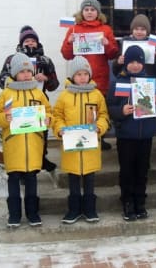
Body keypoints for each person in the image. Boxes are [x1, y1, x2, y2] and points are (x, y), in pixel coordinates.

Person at [0, 53, 52, 227]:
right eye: (22, 71)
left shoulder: (38, 93)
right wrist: (5, 118)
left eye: (28, 70)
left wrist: (48, 119)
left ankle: (33, 213)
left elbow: (48, 111)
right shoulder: (7, 94)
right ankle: (14, 215)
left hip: (33, 145)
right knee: (14, 181)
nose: (26, 74)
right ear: (14, 73)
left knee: (32, 180)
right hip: (14, 146)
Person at [106, 45, 156, 221]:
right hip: (126, 135)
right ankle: (127, 201)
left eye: (139, 61)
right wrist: (121, 111)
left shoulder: (151, 82)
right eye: (132, 62)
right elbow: (109, 108)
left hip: (145, 134)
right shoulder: (118, 82)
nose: (136, 65)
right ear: (126, 62)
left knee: (142, 169)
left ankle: (140, 201)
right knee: (127, 170)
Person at [52, 56, 110, 223]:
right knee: (74, 179)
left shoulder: (96, 94)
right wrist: (60, 129)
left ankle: (90, 209)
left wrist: (100, 127)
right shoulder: (64, 96)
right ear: (72, 76)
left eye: (85, 73)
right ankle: (74, 209)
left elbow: (104, 115)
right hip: (72, 146)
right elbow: (57, 116)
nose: (83, 77)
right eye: (79, 74)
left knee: (90, 178)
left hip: (91, 145)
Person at [0, 25, 59, 172]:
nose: (30, 43)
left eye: (33, 41)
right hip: (17, 100)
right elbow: (1, 80)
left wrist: (46, 78)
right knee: (20, 134)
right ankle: (20, 165)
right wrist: (16, 81)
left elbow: (54, 84)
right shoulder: (11, 59)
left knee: (40, 131)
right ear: (21, 43)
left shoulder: (46, 60)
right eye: (27, 41)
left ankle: (41, 157)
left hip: (38, 99)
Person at [61, 0, 119, 150]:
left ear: (98, 12)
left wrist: (108, 45)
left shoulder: (106, 30)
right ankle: (81, 137)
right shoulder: (74, 29)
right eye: (86, 10)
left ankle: (100, 138)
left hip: (99, 78)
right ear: (82, 12)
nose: (89, 12)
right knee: (79, 107)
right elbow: (66, 55)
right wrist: (69, 42)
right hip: (79, 77)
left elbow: (113, 54)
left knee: (98, 108)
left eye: (92, 10)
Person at [112, 14, 156, 80]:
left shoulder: (154, 46)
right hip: (128, 80)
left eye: (142, 29)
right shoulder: (125, 44)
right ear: (132, 30)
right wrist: (118, 63)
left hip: (148, 81)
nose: (139, 32)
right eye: (136, 29)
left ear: (147, 31)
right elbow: (116, 72)